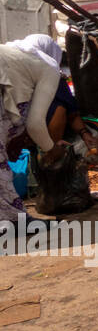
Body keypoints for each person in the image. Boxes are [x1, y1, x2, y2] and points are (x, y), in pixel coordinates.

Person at [0, 42, 66, 224]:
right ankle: (13, 221)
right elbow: (35, 125)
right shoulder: (49, 66)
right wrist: (51, 149)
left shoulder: (15, 55)